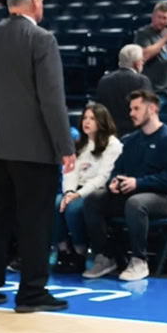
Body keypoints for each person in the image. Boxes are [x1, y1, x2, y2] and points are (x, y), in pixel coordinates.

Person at [0, 0, 76, 313]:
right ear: (35, 1)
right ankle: (31, 293)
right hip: (35, 148)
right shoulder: (42, 40)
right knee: (35, 220)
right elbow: (52, 101)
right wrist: (65, 146)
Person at [81, 90, 167, 282]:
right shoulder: (130, 140)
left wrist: (138, 183)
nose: (131, 113)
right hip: (131, 194)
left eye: (137, 108)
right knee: (94, 199)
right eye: (131, 109)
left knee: (136, 203)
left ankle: (139, 260)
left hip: (165, 198)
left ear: (152, 109)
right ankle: (105, 256)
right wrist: (114, 182)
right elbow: (117, 169)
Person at [54, 104, 122, 274]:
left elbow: (103, 178)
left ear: (102, 121)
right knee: (55, 203)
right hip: (76, 190)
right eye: (85, 118)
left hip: (97, 192)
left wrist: (77, 194)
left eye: (92, 118)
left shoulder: (113, 144)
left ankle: (80, 251)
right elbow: (69, 172)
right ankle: (63, 250)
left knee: (73, 209)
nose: (87, 122)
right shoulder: (80, 145)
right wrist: (69, 192)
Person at [134, 2, 167, 114]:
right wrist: (165, 39)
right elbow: (144, 55)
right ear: (153, 16)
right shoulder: (143, 33)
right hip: (153, 91)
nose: (162, 21)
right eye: (159, 17)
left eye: (165, 18)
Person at [96, 44, 153, 136]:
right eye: (142, 61)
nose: (143, 63)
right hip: (134, 135)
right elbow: (147, 110)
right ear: (137, 64)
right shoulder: (142, 80)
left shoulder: (104, 80)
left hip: (109, 134)